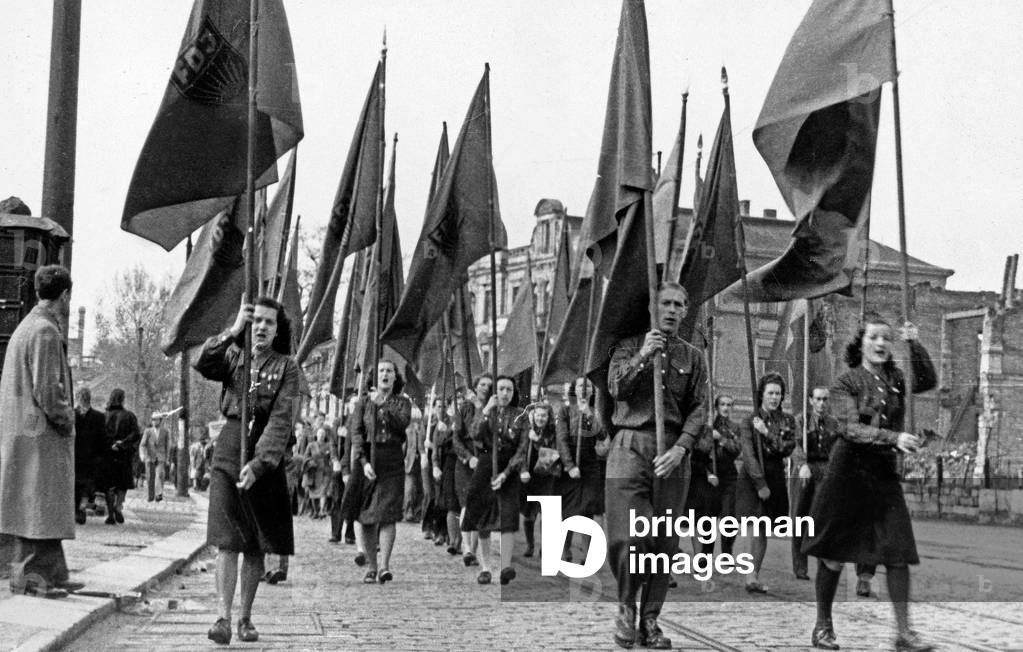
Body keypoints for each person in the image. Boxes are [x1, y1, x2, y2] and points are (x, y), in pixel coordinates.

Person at [802, 316, 937, 652]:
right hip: (847, 475)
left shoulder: (895, 379)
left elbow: (927, 380)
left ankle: (904, 633)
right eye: (874, 337)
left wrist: (914, 344)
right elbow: (850, 427)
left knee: (897, 552)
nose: (881, 344)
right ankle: (823, 627)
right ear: (860, 342)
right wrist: (894, 436)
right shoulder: (845, 384)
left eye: (887, 339)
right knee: (833, 556)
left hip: (883, 476)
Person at [605, 282, 707, 650]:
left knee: (663, 543)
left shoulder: (693, 356)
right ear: (653, 307)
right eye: (666, 303)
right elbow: (616, 388)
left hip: (673, 456)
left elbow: (699, 408)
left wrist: (681, 448)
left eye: (680, 304)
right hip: (630, 447)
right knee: (630, 536)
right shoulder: (628, 346)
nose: (673, 310)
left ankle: (650, 619)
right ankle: (625, 607)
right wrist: (645, 355)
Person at [194, 298, 299, 645]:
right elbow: (202, 362)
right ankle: (222, 617)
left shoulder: (287, 368)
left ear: (278, 329)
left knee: (254, 543)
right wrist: (234, 329)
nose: (263, 328)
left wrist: (260, 464)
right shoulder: (235, 355)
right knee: (228, 540)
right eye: (258, 322)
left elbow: (282, 422)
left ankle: (245, 618)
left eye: (270, 322)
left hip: (263, 455)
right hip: (228, 448)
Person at [0, 265, 83, 598]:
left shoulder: (26, 327)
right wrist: (67, 417)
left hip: (24, 430)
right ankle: (34, 577)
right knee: (40, 502)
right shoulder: (45, 332)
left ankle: (51, 572)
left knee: (39, 503)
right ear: (64, 296)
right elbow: (48, 389)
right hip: (41, 435)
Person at [460, 375, 528, 585]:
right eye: (501, 389)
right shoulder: (487, 411)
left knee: (508, 516)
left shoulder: (520, 416)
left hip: (509, 466)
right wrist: (487, 409)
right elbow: (473, 433)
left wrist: (507, 473)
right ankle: (486, 567)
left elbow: (523, 447)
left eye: (509, 389)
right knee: (483, 517)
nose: (505, 393)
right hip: (487, 463)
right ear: (494, 391)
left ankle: (506, 566)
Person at [351, 359, 413, 584]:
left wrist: (384, 405)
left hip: (392, 459)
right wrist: (363, 461)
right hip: (368, 460)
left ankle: (384, 565)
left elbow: (402, 424)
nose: (385, 374)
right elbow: (356, 433)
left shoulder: (402, 403)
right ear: (374, 376)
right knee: (367, 516)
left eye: (389, 371)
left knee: (387, 514)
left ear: (395, 377)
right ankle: (371, 565)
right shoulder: (363, 402)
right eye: (381, 371)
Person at [735, 372, 797, 594]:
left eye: (778, 394)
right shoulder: (748, 421)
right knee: (754, 523)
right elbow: (749, 454)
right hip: (753, 477)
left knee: (763, 527)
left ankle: (754, 574)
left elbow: (786, 447)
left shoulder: (787, 421)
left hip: (775, 476)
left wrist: (767, 432)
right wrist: (760, 483)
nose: (774, 398)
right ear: (762, 394)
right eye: (770, 393)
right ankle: (750, 575)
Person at [789, 387, 840, 580]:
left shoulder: (833, 423)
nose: (821, 404)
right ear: (810, 400)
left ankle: (823, 563)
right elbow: (794, 444)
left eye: (825, 399)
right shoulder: (800, 420)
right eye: (818, 399)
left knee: (821, 519)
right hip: (803, 470)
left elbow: (836, 449)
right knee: (799, 519)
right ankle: (800, 567)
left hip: (823, 471)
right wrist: (802, 464)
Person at [555, 377, 607, 562]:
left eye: (588, 386)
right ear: (574, 390)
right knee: (568, 508)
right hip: (570, 464)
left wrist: (590, 415)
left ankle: (587, 553)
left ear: (592, 391)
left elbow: (602, 435)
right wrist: (569, 466)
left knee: (588, 508)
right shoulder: (565, 411)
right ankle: (565, 549)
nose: (584, 389)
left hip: (590, 463)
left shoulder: (594, 411)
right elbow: (561, 440)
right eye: (580, 386)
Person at [685, 395, 741, 557]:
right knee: (707, 518)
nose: (725, 408)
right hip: (710, 476)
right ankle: (706, 553)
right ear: (716, 407)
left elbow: (737, 449)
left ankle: (727, 553)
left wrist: (721, 438)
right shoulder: (706, 427)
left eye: (729, 405)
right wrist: (708, 473)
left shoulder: (735, 428)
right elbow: (698, 454)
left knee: (729, 516)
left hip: (728, 475)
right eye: (722, 404)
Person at [451, 375, 494, 566]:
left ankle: (474, 550)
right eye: (482, 384)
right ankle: (467, 547)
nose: (485, 388)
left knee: (480, 507)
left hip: (485, 460)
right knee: (466, 504)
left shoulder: (495, 408)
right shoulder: (465, 408)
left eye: (488, 385)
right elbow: (456, 438)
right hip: (466, 462)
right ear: (475, 387)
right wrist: (468, 458)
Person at [519, 402, 558, 558]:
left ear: (548, 417)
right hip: (529, 477)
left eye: (544, 415)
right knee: (529, 513)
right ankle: (530, 545)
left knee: (546, 512)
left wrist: (537, 440)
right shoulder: (526, 431)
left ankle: (545, 546)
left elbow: (552, 455)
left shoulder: (552, 432)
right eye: (538, 415)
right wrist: (522, 470)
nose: (540, 418)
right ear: (532, 416)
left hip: (547, 477)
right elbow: (520, 453)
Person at [102, 388, 142, 525]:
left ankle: (111, 513)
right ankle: (118, 506)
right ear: (123, 399)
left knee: (109, 484)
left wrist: (110, 445)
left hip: (108, 454)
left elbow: (100, 435)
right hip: (123, 454)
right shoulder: (129, 416)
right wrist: (123, 443)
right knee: (122, 483)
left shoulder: (104, 416)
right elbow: (136, 434)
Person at [431, 396, 463, 555]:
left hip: (467, 463)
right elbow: (437, 446)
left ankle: (460, 542)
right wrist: (436, 466)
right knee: (450, 503)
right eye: (459, 402)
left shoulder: (471, 419)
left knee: (464, 504)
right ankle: (452, 540)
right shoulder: (444, 424)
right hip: (450, 463)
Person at [74, 387, 107, 525]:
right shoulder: (99, 416)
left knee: (79, 483)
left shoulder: (72, 414)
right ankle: (80, 508)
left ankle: (79, 509)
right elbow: (103, 438)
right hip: (89, 456)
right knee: (86, 484)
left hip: (78, 455)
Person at [301, 426, 331, 519]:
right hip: (314, 472)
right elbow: (305, 457)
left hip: (325, 471)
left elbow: (331, 456)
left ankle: (322, 510)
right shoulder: (311, 445)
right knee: (313, 492)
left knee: (323, 491)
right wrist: (310, 461)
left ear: (325, 435)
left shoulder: (328, 445)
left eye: (323, 433)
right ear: (317, 435)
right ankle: (316, 511)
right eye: (319, 433)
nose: (321, 435)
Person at [140, 413, 171, 502]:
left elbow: (167, 445)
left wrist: (168, 458)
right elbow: (142, 445)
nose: (154, 421)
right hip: (149, 457)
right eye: (153, 419)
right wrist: (142, 455)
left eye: (156, 419)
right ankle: (150, 496)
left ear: (160, 420)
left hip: (161, 457)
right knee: (150, 477)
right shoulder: (147, 431)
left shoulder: (165, 431)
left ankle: (158, 494)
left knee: (159, 475)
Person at [403, 404, 426, 522]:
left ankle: (417, 512)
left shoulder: (423, 428)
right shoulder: (407, 429)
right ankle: (408, 510)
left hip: (420, 462)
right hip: (410, 461)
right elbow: (405, 446)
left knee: (420, 488)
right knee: (410, 487)